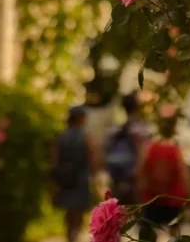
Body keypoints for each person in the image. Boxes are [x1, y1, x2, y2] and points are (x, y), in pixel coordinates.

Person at [137, 110, 190, 238]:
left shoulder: (149, 147)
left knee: (148, 233)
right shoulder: (176, 149)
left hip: (152, 198)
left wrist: (139, 195)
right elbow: (184, 175)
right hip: (174, 199)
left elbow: (140, 173)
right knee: (174, 234)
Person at [51, 106, 97, 242]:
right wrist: (94, 176)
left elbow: (54, 159)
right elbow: (92, 156)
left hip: (65, 178)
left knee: (69, 210)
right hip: (80, 178)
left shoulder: (61, 136)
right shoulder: (86, 136)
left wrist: (54, 178)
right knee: (78, 210)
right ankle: (74, 235)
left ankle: (70, 235)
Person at [104, 93, 149, 204]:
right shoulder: (140, 129)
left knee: (117, 204)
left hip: (116, 172)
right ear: (137, 107)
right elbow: (142, 151)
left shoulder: (115, 129)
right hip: (132, 173)